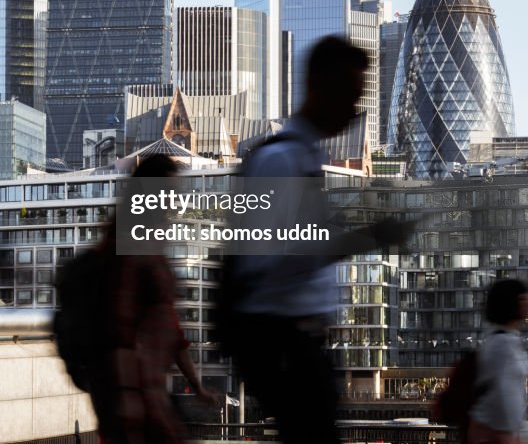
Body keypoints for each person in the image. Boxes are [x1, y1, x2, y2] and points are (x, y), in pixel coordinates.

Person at [221, 36, 409, 444]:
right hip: (283, 346)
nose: (354, 113)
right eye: (350, 96)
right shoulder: (280, 161)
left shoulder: (304, 160)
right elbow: (265, 261)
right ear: (321, 89)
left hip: (299, 346)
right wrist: (365, 239)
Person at [87, 154, 219, 444]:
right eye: (170, 193)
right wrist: (127, 398)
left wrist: (197, 386)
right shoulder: (131, 246)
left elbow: (171, 329)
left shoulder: (149, 243)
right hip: (136, 391)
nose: (174, 201)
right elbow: (119, 326)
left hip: (148, 389)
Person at [468, 278, 528, 444]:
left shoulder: (507, 339)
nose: (526, 304)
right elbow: (503, 394)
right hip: (497, 433)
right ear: (509, 303)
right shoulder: (502, 343)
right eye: (522, 300)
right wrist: (509, 435)